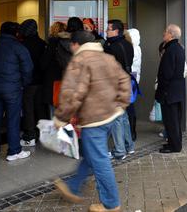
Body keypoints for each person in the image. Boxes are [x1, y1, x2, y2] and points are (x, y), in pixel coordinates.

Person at [53, 31, 130, 212]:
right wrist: (121, 104)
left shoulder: (79, 61)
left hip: (93, 120)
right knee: (91, 155)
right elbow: (125, 79)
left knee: (100, 160)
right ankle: (73, 186)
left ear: (75, 44)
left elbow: (73, 94)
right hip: (110, 116)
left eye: (71, 45)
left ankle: (111, 204)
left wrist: (61, 118)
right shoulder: (107, 58)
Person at [0, 22, 33, 161]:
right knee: (13, 119)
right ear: (16, 33)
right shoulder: (19, 47)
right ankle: (13, 151)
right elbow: (28, 69)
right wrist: (22, 84)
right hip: (13, 89)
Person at [103, 20, 135, 159]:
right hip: (126, 82)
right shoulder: (128, 44)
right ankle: (129, 146)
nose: (106, 31)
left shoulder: (111, 47)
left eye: (108, 29)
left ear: (116, 31)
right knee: (124, 116)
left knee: (117, 118)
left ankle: (119, 151)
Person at [155, 24, 186, 153]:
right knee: (175, 120)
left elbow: (166, 73)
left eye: (165, 32)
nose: (163, 34)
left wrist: (161, 88)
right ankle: (174, 143)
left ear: (171, 35)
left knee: (171, 120)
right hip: (177, 91)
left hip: (169, 92)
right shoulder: (179, 48)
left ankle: (174, 146)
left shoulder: (170, 50)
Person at [19, 19, 47, 146]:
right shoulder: (42, 43)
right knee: (40, 108)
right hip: (41, 81)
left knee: (28, 109)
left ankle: (30, 135)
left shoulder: (22, 45)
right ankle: (43, 134)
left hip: (29, 82)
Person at [125, 28, 142, 141]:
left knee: (129, 107)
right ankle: (131, 132)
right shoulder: (137, 48)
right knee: (130, 106)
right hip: (134, 79)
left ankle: (131, 132)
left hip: (130, 80)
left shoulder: (133, 49)